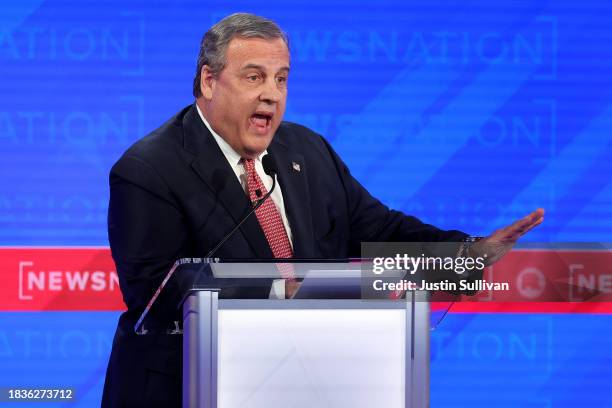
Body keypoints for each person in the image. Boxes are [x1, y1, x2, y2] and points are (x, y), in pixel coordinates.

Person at [101, 12, 544, 407]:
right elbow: (156, 298)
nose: (272, 95)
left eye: (281, 78)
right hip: (186, 390)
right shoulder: (148, 170)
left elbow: (377, 228)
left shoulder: (306, 150)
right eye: (254, 77)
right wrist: (285, 294)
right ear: (208, 81)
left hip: (303, 383)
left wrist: (465, 253)